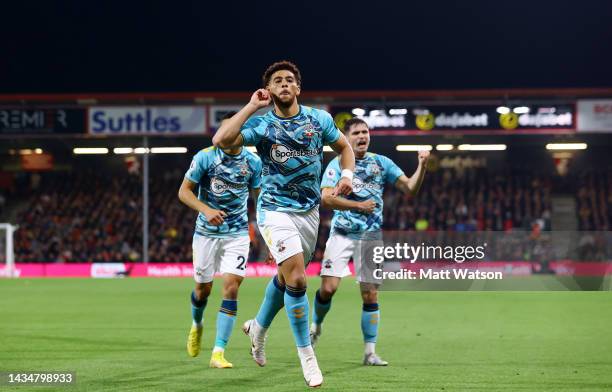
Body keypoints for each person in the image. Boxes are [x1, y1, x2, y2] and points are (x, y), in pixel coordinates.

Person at [212, 60, 355, 387]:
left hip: (309, 212)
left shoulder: (319, 120)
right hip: (274, 210)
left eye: (290, 80)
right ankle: (307, 357)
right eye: (278, 81)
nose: (285, 84)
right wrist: (250, 106)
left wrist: (346, 176)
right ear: (269, 89)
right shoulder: (261, 126)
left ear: (299, 88)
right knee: (299, 281)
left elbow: (344, 148)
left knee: (286, 277)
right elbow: (222, 139)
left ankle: (258, 329)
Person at [311, 117, 429, 366]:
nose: (363, 136)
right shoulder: (337, 165)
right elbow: (326, 199)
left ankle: (369, 352)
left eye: (365, 132)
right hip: (342, 234)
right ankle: (316, 326)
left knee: (370, 295)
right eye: (357, 133)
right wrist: (358, 205)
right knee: (328, 289)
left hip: (371, 237)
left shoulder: (381, 163)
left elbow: (409, 188)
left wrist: (422, 165)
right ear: (347, 138)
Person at [178, 111, 262, 369]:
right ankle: (197, 323)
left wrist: (267, 237)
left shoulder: (253, 162)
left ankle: (218, 352)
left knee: (232, 287)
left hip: (236, 234)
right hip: (206, 234)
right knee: (203, 290)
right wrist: (206, 209)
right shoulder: (205, 157)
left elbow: (260, 200)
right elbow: (184, 192)